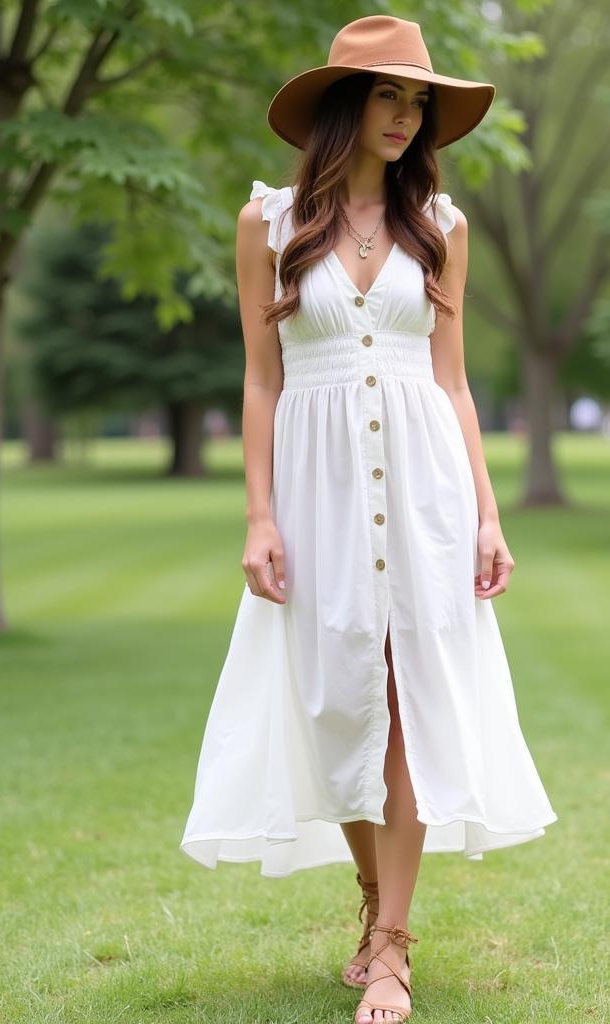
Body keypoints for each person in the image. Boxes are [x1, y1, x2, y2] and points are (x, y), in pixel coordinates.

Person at [179, 15, 558, 1023]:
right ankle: (370, 894)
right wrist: (258, 516)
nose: (406, 116)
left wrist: (486, 514)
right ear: (345, 105)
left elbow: (455, 382)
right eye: (389, 96)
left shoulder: (443, 222)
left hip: (425, 482)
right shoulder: (265, 222)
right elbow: (260, 383)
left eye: (418, 100)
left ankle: (391, 944)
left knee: (404, 695)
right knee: (334, 698)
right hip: (315, 485)